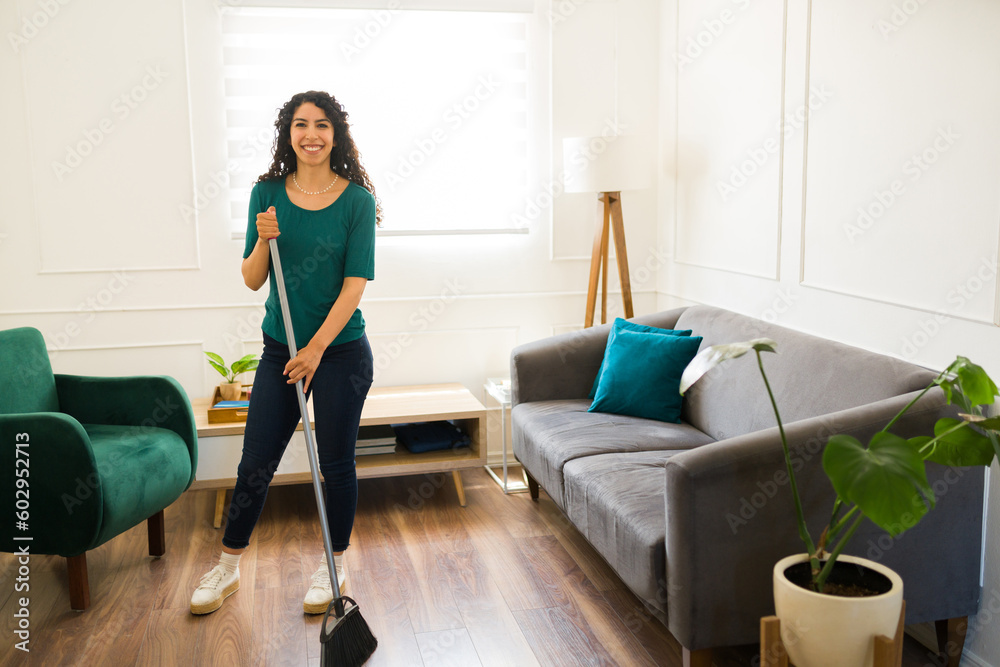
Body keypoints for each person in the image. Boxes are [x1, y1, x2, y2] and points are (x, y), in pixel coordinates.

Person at [191, 90, 380, 615]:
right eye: (301, 124)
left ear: (336, 134)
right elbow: (253, 280)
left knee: (337, 464)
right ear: (288, 133)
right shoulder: (266, 193)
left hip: (339, 352)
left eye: (322, 124)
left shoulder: (356, 202)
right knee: (256, 462)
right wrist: (260, 239)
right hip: (281, 350)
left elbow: (354, 286)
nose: (312, 134)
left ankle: (332, 564)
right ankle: (226, 567)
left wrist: (318, 349)